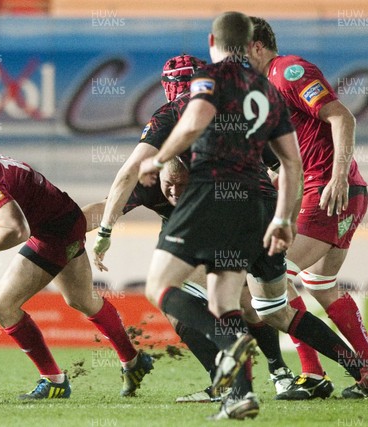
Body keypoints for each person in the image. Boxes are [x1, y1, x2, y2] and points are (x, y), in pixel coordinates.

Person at [138, 11, 368, 420]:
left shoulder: (231, 77)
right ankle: (354, 370)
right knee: (285, 300)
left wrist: (161, 159)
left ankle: (248, 359)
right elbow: (289, 161)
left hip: (233, 202)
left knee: (172, 288)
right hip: (268, 203)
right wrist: (282, 217)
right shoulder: (264, 89)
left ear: (217, 42)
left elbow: (193, 122)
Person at [86, 54, 294, 402]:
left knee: (204, 298)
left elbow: (123, 183)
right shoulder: (233, 119)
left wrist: (101, 232)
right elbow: (279, 166)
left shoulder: (167, 129)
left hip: (209, 227)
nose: (173, 189)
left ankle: (237, 378)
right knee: (245, 303)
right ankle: (274, 373)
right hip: (242, 219)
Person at [0, 130, 153, 399]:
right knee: (82, 299)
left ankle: (54, 380)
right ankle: (133, 360)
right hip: (63, 218)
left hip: (54, 231)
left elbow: (16, 230)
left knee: (1, 305)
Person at [247, 16, 368, 400]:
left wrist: (338, 176)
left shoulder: (288, 72)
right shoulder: (266, 91)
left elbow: (341, 117)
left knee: (271, 280)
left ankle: (313, 374)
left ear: (258, 46)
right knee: (320, 285)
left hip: (330, 192)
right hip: (335, 192)